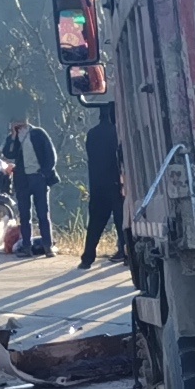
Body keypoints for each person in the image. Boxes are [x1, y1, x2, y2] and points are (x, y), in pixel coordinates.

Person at [8, 114, 58, 262]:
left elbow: (51, 156)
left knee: (43, 213)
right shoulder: (14, 137)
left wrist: (44, 173)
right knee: (24, 215)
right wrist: (13, 136)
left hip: (38, 178)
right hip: (22, 180)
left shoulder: (38, 133)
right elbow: (8, 153)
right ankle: (27, 247)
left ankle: (48, 246)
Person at [80, 100, 124, 266]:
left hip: (97, 184)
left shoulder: (92, 134)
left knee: (95, 224)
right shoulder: (118, 133)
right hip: (116, 183)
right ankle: (125, 252)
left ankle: (87, 258)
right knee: (121, 221)